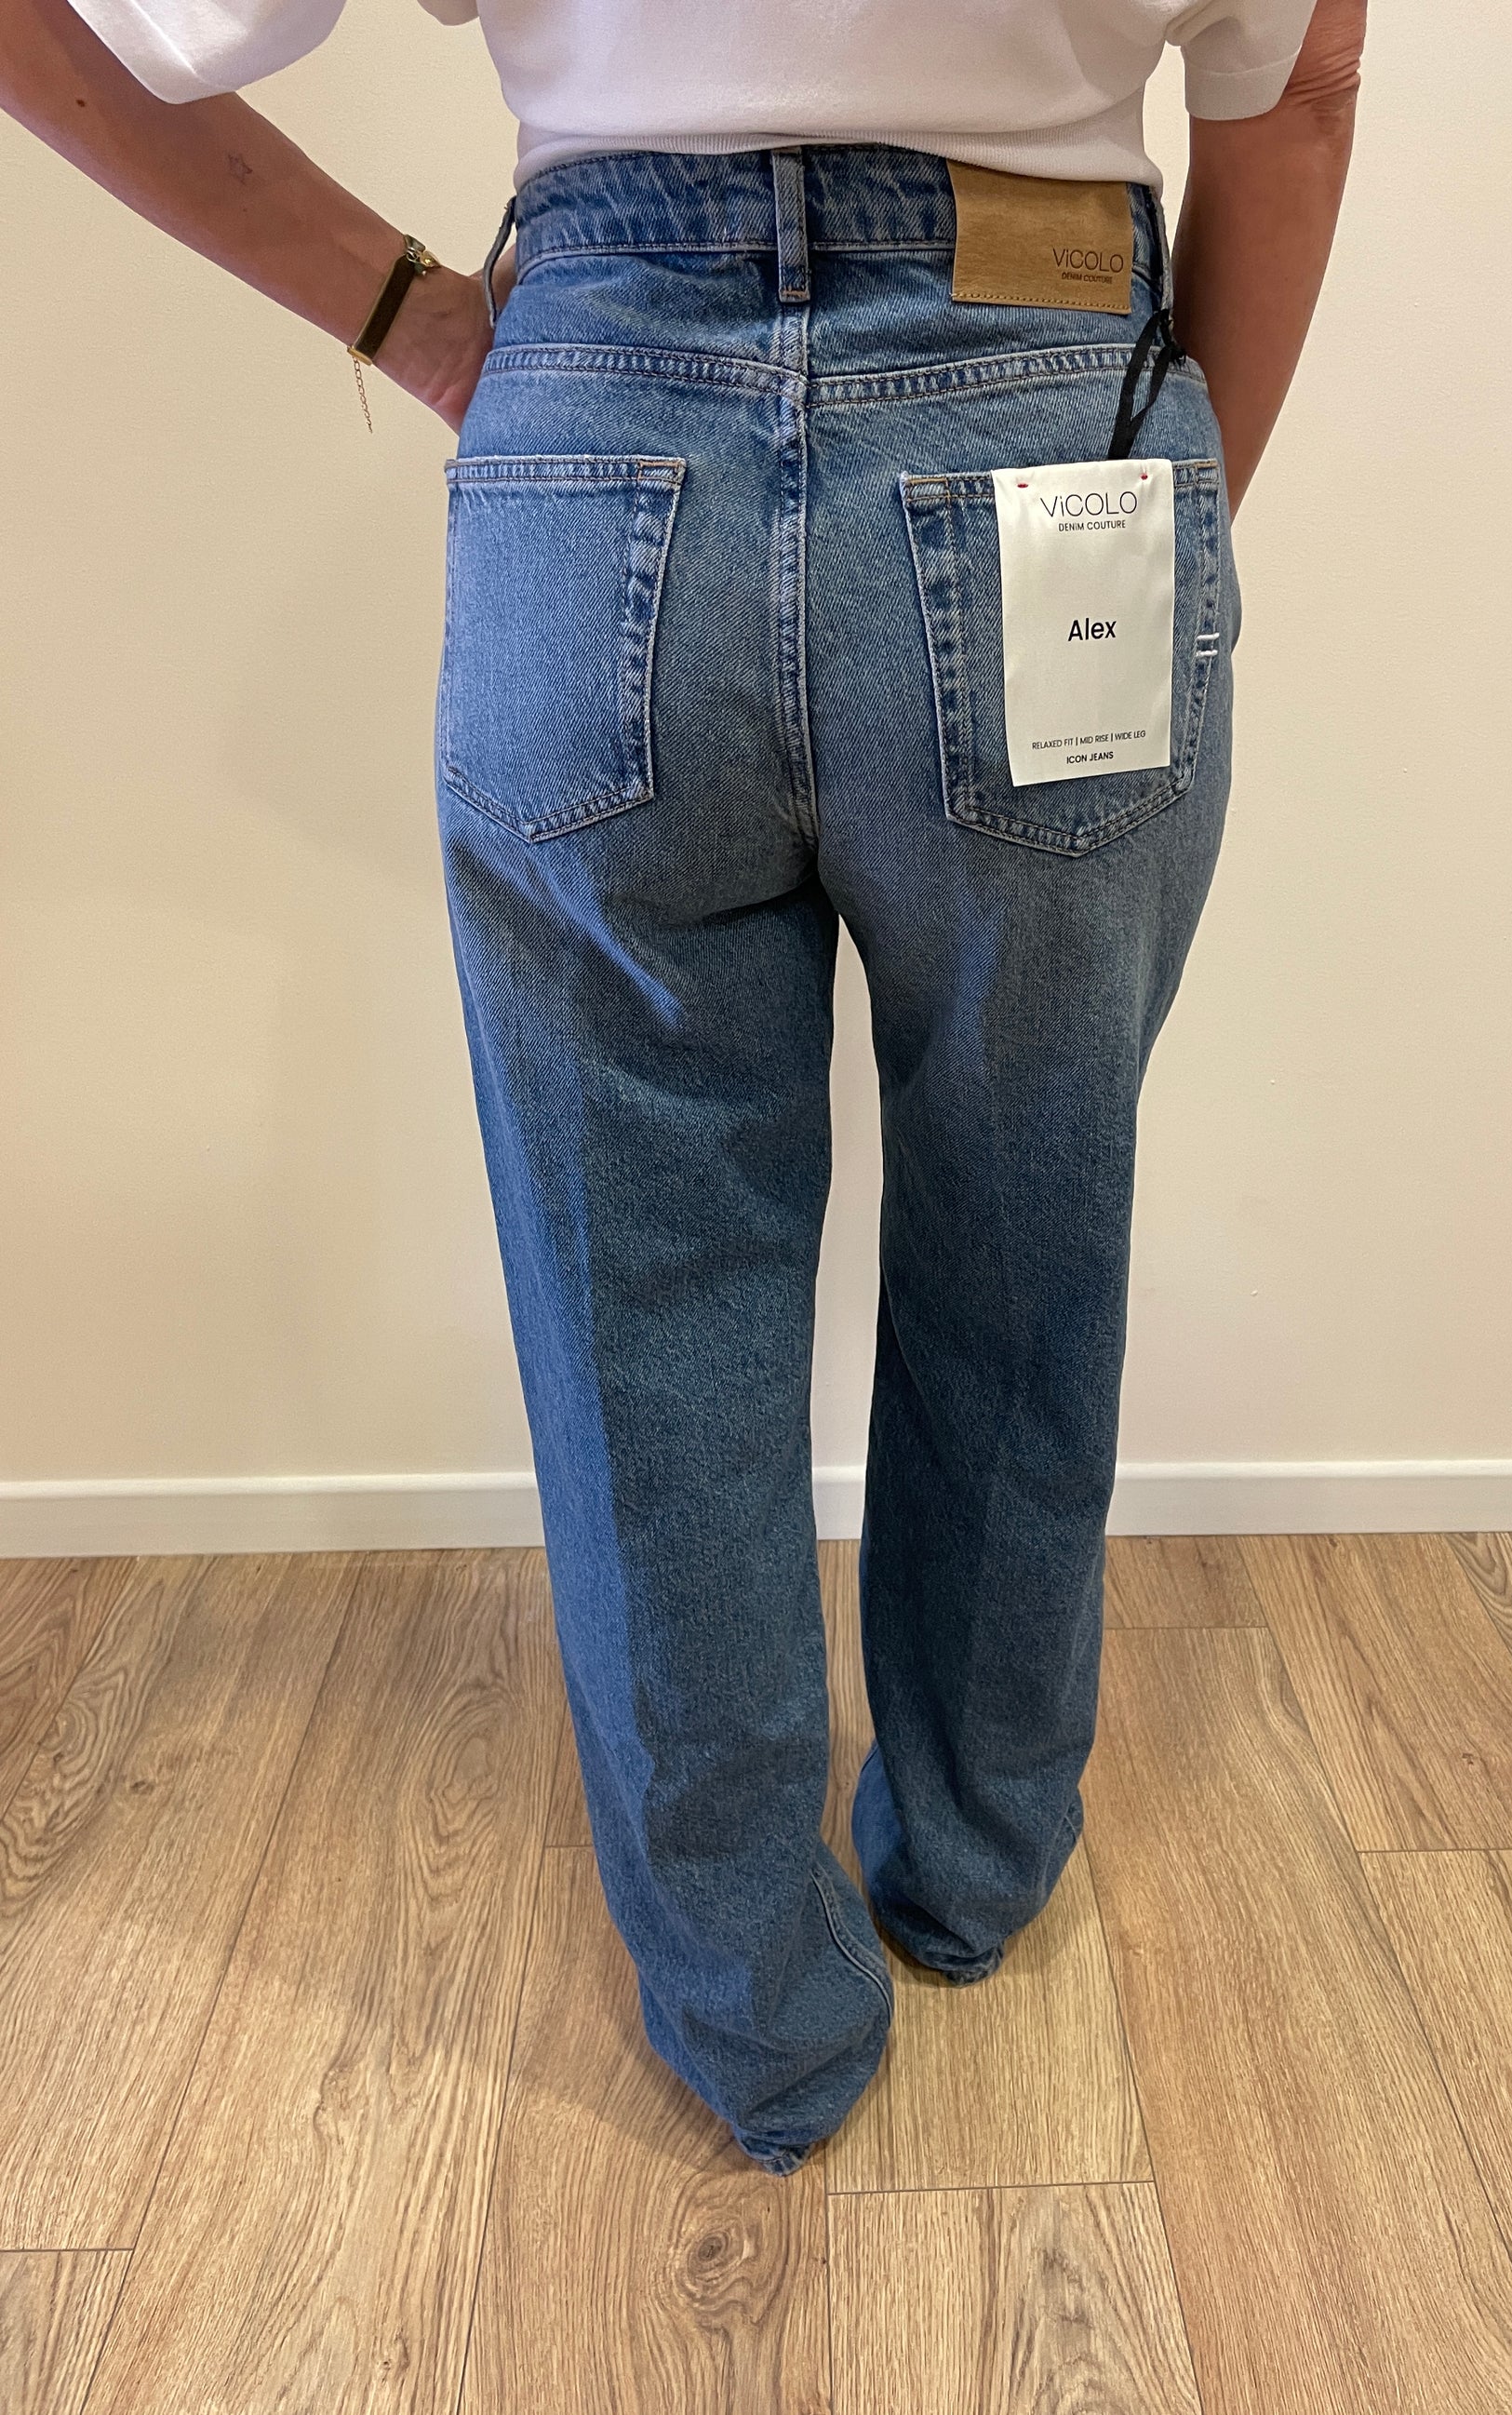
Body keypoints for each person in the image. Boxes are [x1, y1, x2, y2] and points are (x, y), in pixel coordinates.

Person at [2, 0, 1365, 2174]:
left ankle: (754, 2011)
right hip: (1045, 422)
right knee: (1029, 1224)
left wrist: (412, 313)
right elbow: (1295, 94)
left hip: (593, 425)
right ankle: (971, 1862)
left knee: (637, 1287)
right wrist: (1158, 504)